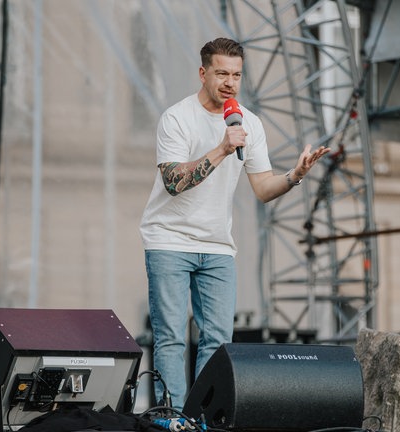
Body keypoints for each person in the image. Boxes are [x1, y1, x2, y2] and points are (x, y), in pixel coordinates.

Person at [139, 37, 330, 410]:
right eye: (222, 73)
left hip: (217, 246)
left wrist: (296, 174)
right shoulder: (177, 118)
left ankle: (204, 416)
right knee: (172, 337)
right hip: (168, 240)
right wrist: (222, 148)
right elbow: (174, 183)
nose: (230, 82)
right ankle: (172, 417)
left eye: (237, 75)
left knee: (218, 338)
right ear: (203, 72)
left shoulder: (249, 124)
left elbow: (262, 188)